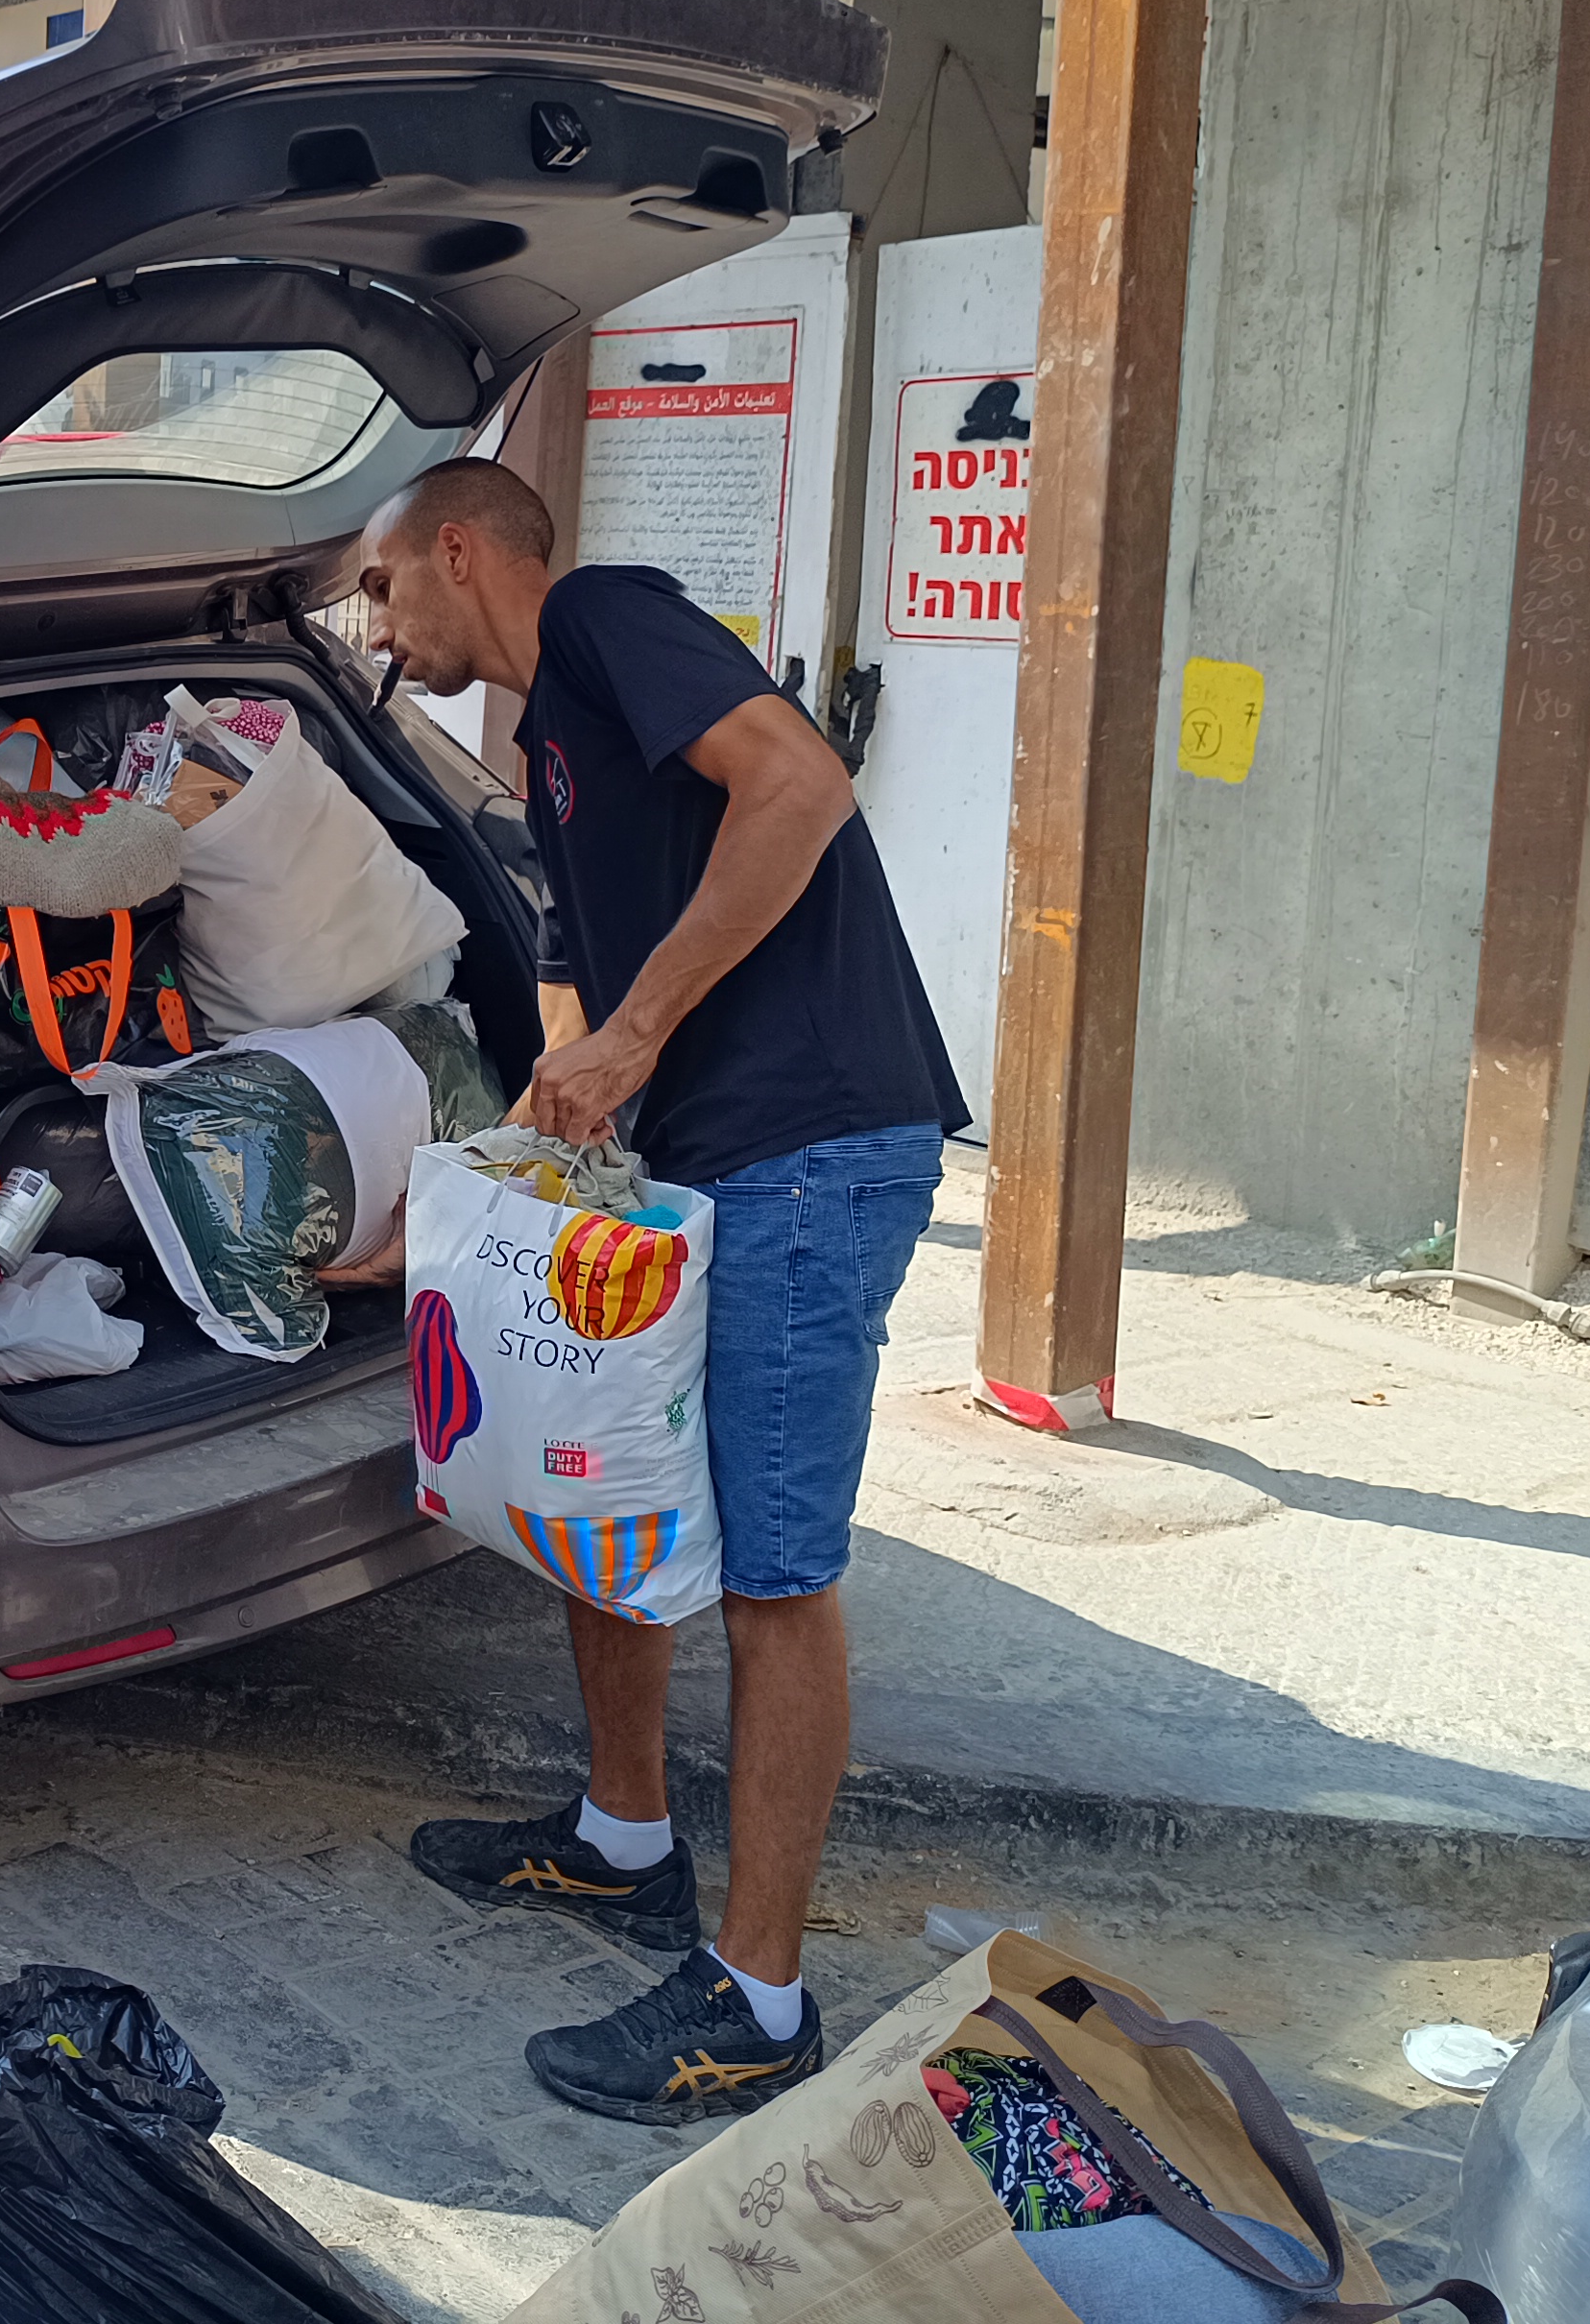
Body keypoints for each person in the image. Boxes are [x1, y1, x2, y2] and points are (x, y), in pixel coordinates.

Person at [355, 458, 965, 2125]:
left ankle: (759, 2002)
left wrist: (632, 1038)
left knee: (776, 1573)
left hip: (816, 1145)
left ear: (458, 552)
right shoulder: (552, 726)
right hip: (709, 1157)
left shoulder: (610, 619)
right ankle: (627, 1840)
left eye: (382, 588)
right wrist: (551, 1105)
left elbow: (799, 783)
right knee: (594, 1471)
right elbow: (602, 952)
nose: (378, 629)